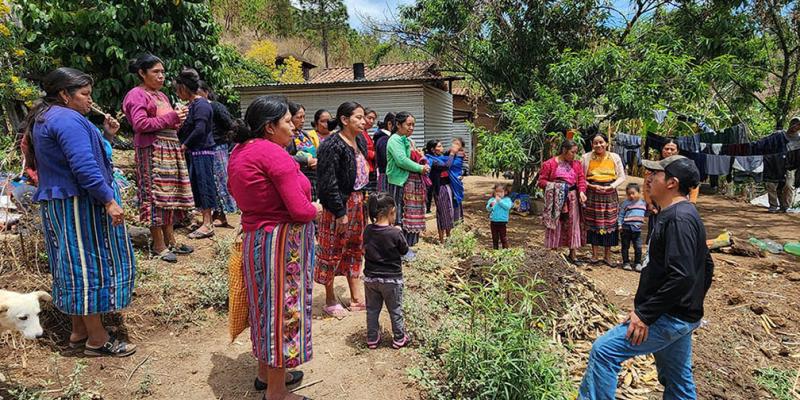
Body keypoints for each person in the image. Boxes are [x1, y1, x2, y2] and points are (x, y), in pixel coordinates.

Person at [579, 155, 714, 400]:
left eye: (656, 174)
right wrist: (690, 306)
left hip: (668, 317)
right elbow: (706, 265)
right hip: (680, 314)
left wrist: (645, 315)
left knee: (604, 351)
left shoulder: (679, 219)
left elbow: (682, 275)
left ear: (672, 183)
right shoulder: (678, 213)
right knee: (677, 378)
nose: (648, 178)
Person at [24, 67, 136, 356]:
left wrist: (106, 135)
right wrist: (108, 200)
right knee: (87, 267)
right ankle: (97, 339)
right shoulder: (68, 120)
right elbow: (84, 167)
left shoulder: (48, 117)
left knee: (72, 265)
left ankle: (79, 332)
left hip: (62, 202)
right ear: (64, 94)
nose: (90, 99)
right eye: (85, 94)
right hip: (78, 204)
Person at [227, 95, 320, 400]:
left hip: (257, 239)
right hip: (281, 245)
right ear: (269, 127)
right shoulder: (273, 154)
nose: (294, 127)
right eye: (287, 121)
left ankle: (265, 375)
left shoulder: (241, 151)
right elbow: (299, 209)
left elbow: (236, 191)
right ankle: (277, 393)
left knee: (264, 309)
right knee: (283, 312)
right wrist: (315, 209)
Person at [122, 54, 194, 263]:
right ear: (142, 73)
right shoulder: (136, 95)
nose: (161, 76)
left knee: (169, 194)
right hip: (152, 151)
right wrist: (171, 117)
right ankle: (158, 244)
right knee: (154, 196)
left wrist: (178, 120)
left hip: (169, 149)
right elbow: (140, 124)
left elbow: (167, 122)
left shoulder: (162, 96)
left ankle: (171, 240)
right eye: (156, 72)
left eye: (162, 72)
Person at [315, 102, 369, 319]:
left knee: (355, 248)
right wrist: (339, 212)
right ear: (344, 120)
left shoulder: (360, 141)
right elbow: (327, 183)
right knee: (332, 249)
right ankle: (330, 299)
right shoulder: (331, 145)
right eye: (359, 117)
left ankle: (356, 297)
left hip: (358, 202)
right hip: (338, 206)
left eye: (364, 117)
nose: (363, 122)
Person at [363, 193, 410, 350]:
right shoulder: (395, 233)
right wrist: (399, 232)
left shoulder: (368, 230)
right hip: (392, 280)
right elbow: (404, 251)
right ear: (391, 211)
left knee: (372, 310)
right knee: (395, 310)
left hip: (371, 279)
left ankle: (372, 338)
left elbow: (365, 248)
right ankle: (399, 338)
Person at [175, 68, 217, 239]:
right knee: (197, 187)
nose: (177, 93)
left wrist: (184, 145)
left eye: (178, 89)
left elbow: (200, 129)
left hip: (202, 151)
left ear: (184, 88)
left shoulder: (201, 105)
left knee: (204, 185)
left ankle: (208, 223)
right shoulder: (192, 106)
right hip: (195, 152)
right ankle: (203, 220)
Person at [386, 112, 431, 260]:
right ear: (398, 125)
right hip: (398, 182)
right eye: (408, 124)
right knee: (398, 216)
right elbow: (401, 161)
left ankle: (404, 249)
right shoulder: (395, 140)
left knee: (406, 216)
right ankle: (399, 252)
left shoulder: (405, 140)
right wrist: (420, 168)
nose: (411, 128)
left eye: (413, 125)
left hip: (405, 182)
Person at [537, 139, 587, 263]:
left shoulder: (576, 164)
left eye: (575, 152)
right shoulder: (549, 164)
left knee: (572, 224)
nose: (574, 155)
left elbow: (581, 179)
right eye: (572, 152)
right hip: (556, 199)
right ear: (564, 150)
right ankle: (553, 254)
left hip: (572, 198)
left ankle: (573, 254)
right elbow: (541, 181)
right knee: (555, 223)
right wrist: (557, 187)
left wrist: (581, 192)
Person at [582, 133, 626, 266]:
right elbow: (581, 177)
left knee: (610, 223)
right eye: (595, 143)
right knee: (593, 223)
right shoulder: (586, 157)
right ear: (592, 144)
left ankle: (607, 256)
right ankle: (595, 255)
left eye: (601, 142)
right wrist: (591, 186)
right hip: (592, 194)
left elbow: (621, 176)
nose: (598, 145)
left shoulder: (615, 157)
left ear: (607, 143)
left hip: (610, 194)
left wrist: (611, 187)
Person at [198, 81, 237, 227]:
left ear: (206, 92)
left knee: (220, 180)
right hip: (204, 148)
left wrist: (227, 140)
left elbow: (230, 124)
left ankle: (223, 213)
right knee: (211, 182)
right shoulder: (196, 108)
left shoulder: (215, 106)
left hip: (217, 147)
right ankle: (216, 212)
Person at [643, 139, 699, 237]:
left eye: (672, 149)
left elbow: (694, 186)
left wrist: (692, 202)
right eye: (666, 148)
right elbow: (646, 188)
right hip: (657, 206)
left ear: (672, 182)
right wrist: (649, 203)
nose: (669, 151)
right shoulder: (654, 166)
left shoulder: (679, 219)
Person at [425, 139, 458, 243]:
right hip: (439, 188)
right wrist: (452, 154)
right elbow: (446, 166)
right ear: (433, 149)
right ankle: (442, 239)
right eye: (439, 146)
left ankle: (448, 237)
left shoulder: (440, 157)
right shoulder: (432, 160)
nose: (442, 148)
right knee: (442, 212)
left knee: (449, 210)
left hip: (447, 186)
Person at [766, 116, 800, 212]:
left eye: (798, 125)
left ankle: (785, 206)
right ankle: (773, 206)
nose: (795, 126)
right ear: (790, 124)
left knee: (788, 185)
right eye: (794, 123)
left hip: (789, 165)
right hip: (775, 164)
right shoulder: (779, 134)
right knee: (771, 184)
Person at [287, 102, 319, 201]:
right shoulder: (286, 137)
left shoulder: (304, 135)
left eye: (304, 117)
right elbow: (284, 158)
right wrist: (305, 160)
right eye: (299, 117)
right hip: (299, 181)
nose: (303, 121)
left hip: (313, 181)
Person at [618, 183, 647, 271]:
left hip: (637, 229)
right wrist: (620, 224)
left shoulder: (643, 203)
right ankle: (626, 262)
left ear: (639, 192)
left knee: (638, 247)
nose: (631, 195)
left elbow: (646, 212)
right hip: (626, 228)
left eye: (633, 193)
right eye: (629, 194)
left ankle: (637, 263)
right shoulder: (626, 203)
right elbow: (621, 214)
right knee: (625, 246)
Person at [486, 183, 513, 249]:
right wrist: (491, 205)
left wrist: (500, 201)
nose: (498, 194)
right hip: (493, 221)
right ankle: (495, 250)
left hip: (502, 222)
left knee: (503, 237)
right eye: (497, 192)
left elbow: (507, 207)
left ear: (505, 192)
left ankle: (505, 250)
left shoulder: (507, 200)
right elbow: (488, 209)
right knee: (494, 237)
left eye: (501, 192)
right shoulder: (492, 200)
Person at [374, 112, 395, 193]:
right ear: (389, 124)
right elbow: (387, 161)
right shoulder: (384, 139)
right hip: (386, 177)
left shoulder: (386, 138)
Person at [449, 137, 468, 224]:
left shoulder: (461, 154)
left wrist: (462, 174)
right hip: (449, 179)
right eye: (454, 143)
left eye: (457, 144)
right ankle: (453, 220)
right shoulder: (449, 153)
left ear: (461, 147)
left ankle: (458, 220)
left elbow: (464, 167)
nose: (455, 145)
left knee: (456, 198)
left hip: (456, 179)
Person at [361, 108, 378, 193]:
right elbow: (360, 150)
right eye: (369, 118)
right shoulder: (359, 133)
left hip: (370, 169)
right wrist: (375, 154)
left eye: (373, 119)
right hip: (365, 169)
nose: (371, 121)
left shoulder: (365, 133)